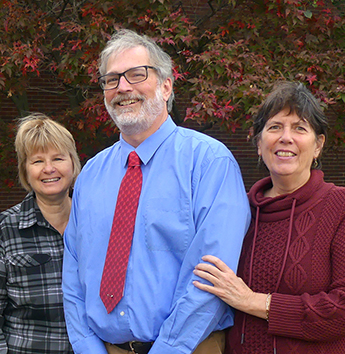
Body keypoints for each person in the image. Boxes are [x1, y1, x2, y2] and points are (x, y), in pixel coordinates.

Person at [62, 29, 251, 354]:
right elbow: (73, 277)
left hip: (190, 348)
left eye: (136, 74)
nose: (123, 87)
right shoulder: (91, 174)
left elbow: (211, 276)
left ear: (166, 86)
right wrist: (87, 349)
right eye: (111, 79)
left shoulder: (208, 162)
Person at [193, 81, 345, 354]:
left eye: (300, 128)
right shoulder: (236, 212)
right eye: (274, 127)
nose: (286, 137)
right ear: (259, 144)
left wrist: (253, 301)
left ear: (318, 145)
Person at [0, 113, 80, 354]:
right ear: (25, 171)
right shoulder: (5, 229)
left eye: (58, 158)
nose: (49, 169)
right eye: (37, 161)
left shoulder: (95, 223)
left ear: (73, 163)